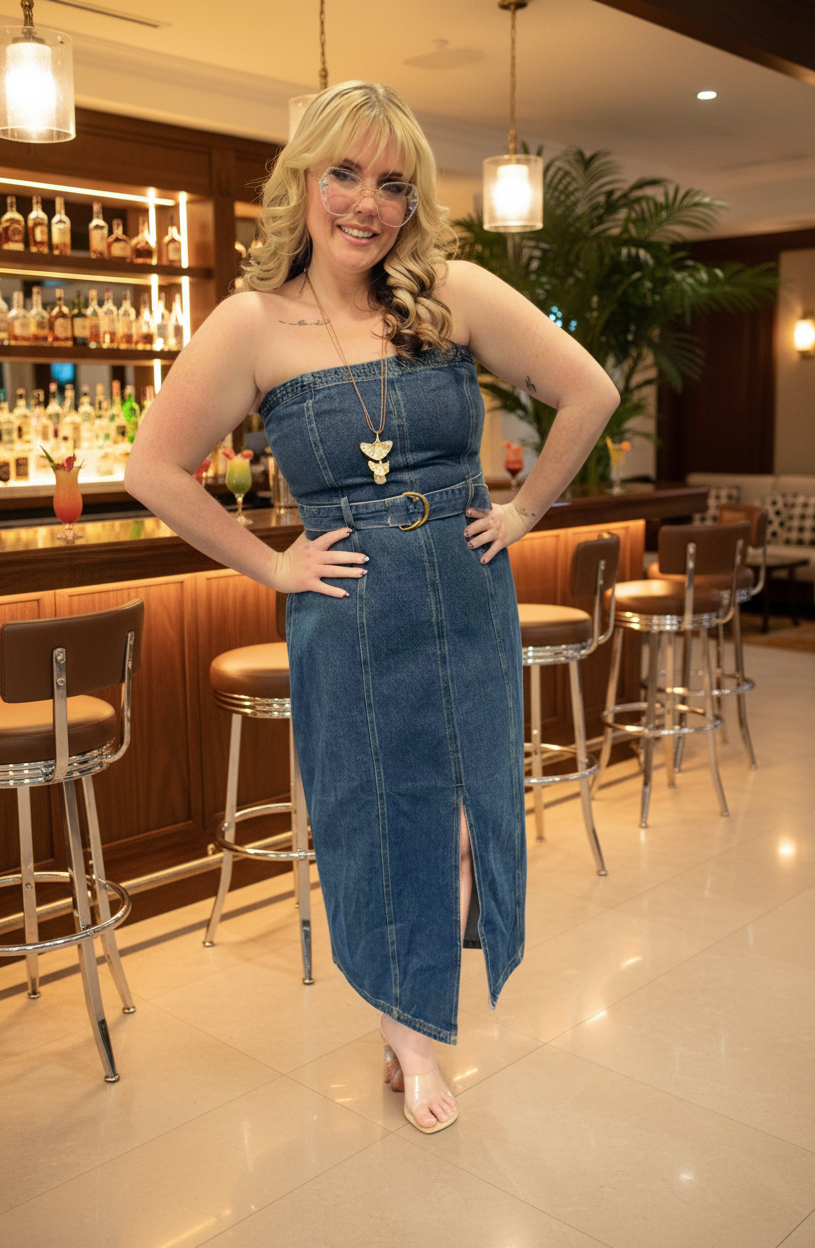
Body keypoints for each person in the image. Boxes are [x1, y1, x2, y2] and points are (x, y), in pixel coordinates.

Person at [125, 80, 619, 1134]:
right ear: (303, 179)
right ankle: (411, 1035)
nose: (367, 203)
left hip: (466, 593)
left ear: (412, 201)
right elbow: (153, 469)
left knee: (468, 818)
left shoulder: (454, 293)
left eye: (392, 184)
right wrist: (272, 568)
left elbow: (591, 391)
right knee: (383, 822)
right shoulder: (251, 323)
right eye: (344, 174)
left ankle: (413, 1016)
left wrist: (525, 508)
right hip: (349, 612)